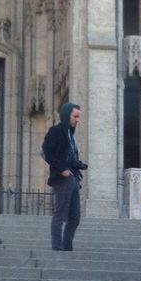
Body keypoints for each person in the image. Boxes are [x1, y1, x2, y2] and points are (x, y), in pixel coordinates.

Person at [42, 102, 87, 251]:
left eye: (78, 117)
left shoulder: (70, 135)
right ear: (67, 116)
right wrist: (62, 169)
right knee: (60, 214)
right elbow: (47, 152)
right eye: (75, 116)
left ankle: (67, 246)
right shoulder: (56, 131)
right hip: (62, 178)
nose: (77, 120)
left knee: (75, 217)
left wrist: (79, 165)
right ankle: (57, 245)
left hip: (73, 178)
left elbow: (68, 157)